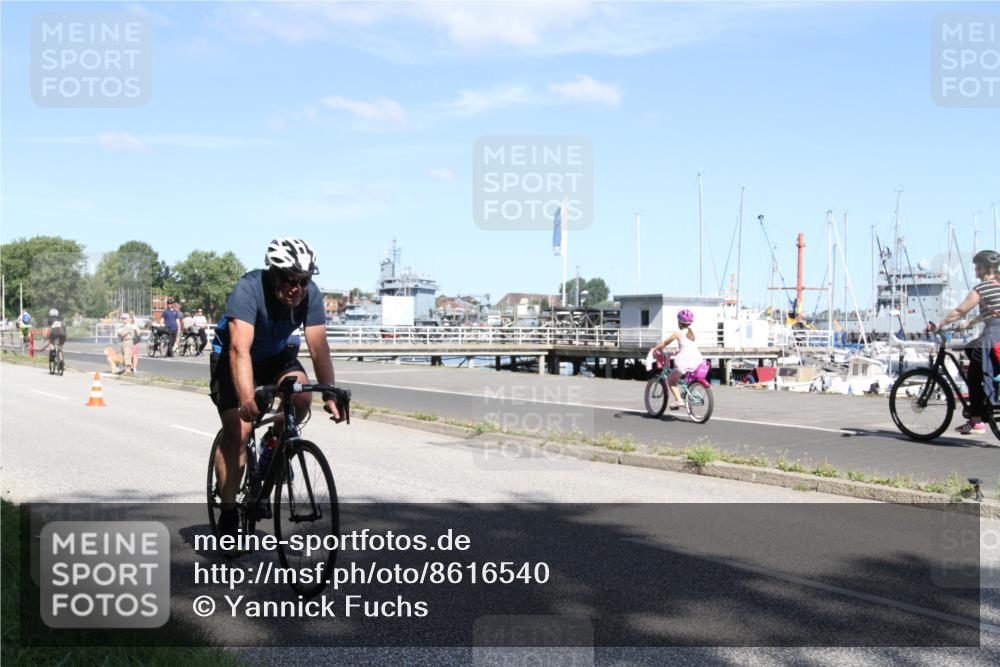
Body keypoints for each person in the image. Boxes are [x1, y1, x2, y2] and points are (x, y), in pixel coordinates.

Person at [210, 238, 342, 539]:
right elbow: (239, 351)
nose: (297, 288)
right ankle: (229, 512)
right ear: (273, 273)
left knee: (302, 396)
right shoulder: (249, 288)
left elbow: (319, 349)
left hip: (274, 358)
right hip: (232, 357)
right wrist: (246, 398)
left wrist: (330, 393)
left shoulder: (310, 296)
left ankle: (273, 446)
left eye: (304, 281)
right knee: (239, 432)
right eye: (289, 280)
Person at [931, 250, 1000, 434]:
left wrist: (941, 323)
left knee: (973, 374)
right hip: (995, 334)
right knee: (970, 349)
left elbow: (960, 310)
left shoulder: (982, 288)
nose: (976, 271)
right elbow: (990, 311)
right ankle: (990, 390)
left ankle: (976, 420)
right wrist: (969, 324)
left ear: (985, 268)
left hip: (994, 336)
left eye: (978, 267)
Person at [649, 309, 704, 410]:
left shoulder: (678, 333)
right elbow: (688, 346)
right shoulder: (692, 333)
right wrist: (677, 350)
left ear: (679, 322)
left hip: (684, 361)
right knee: (684, 380)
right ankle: (686, 395)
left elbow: (665, 343)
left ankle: (679, 400)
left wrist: (655, 348)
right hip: (697, 360)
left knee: (671, 380)